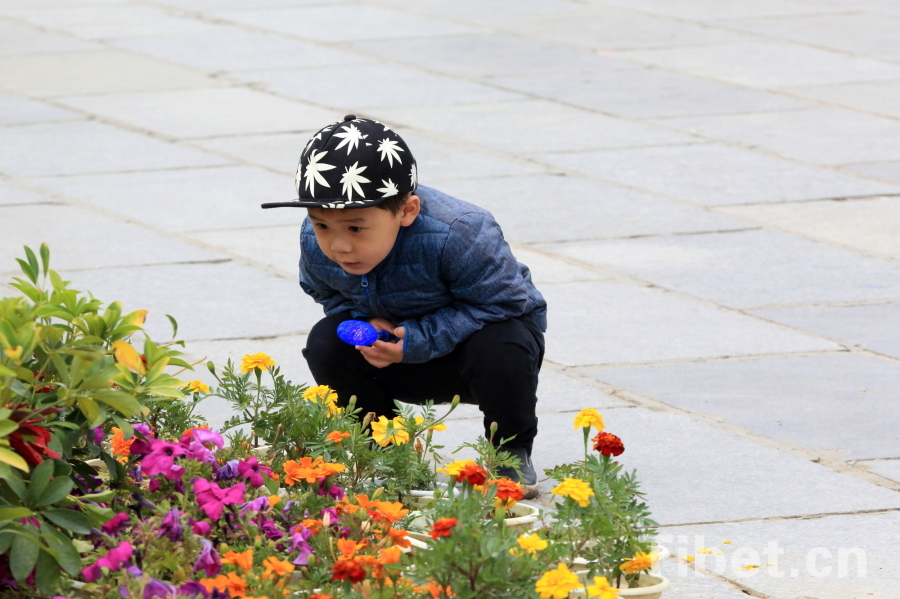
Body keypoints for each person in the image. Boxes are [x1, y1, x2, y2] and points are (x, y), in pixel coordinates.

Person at [262, 115, 547, 497]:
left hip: (473, 360)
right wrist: (366, 321)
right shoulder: (316, 242)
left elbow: (507, 301)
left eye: (356, 228)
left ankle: (510, 454)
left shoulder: (459, 230)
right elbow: (325, 292)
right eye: (322, 225)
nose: (339, 245)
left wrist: (418, 338)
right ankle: (388, 451)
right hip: (389, 355)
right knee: (326, 341)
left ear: (408, 210)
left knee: (504, 342)